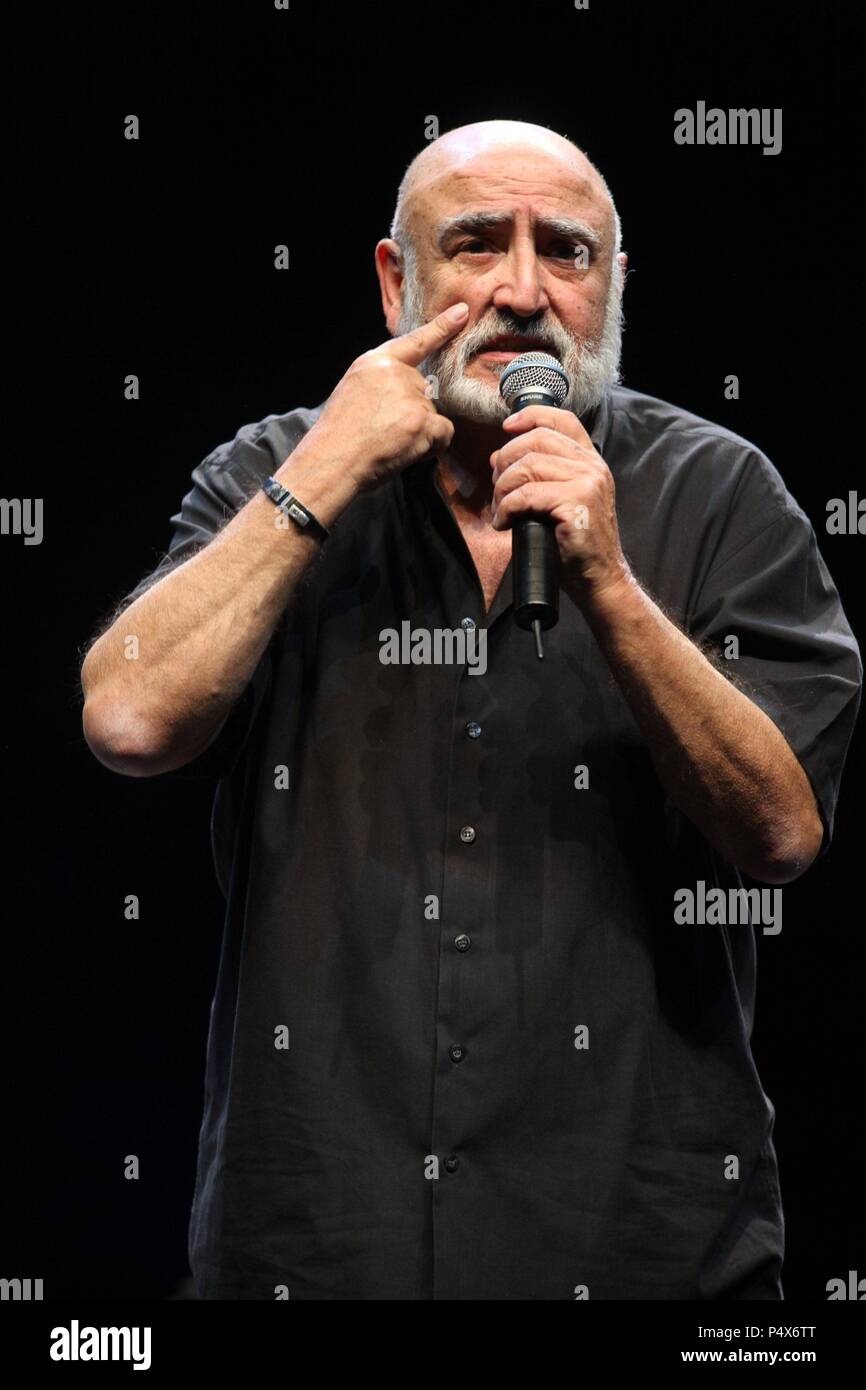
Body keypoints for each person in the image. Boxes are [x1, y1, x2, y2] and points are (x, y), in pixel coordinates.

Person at [80, 120, 861, 1300]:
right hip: (318, 1244)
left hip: (638, 1249)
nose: (521, 290)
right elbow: (129, 718)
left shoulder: (720, 495)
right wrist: (321, 480)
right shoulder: (275, 468)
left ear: (611, 288)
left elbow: (781, 832)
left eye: (566, 252)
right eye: (475, 244)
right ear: (397, 277)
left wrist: (607, 580)